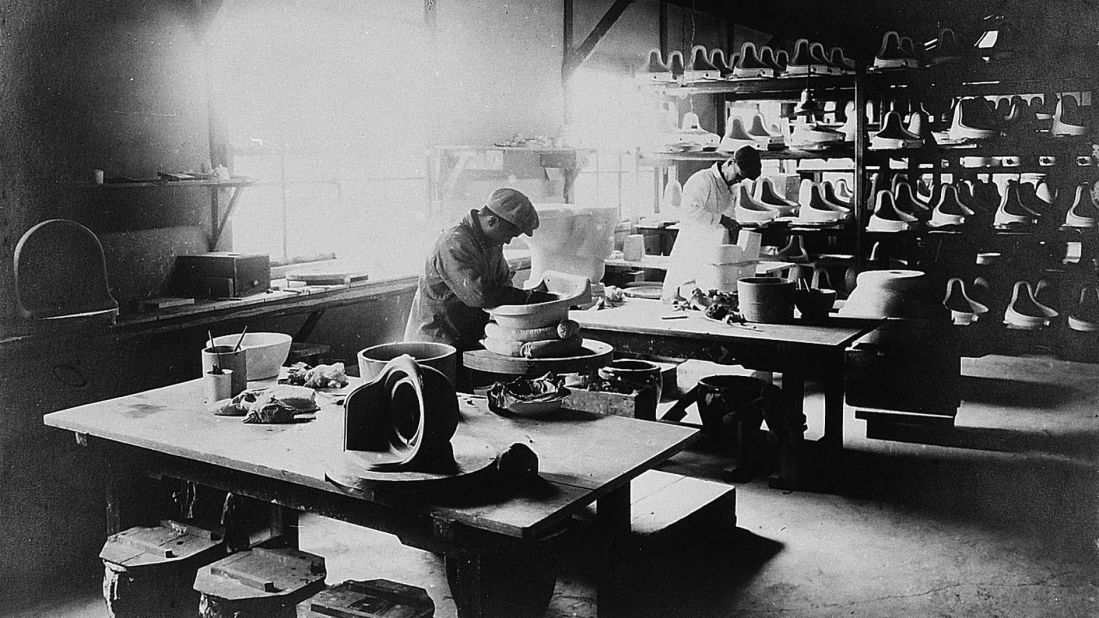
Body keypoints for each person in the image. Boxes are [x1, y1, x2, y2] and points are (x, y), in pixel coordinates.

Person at [404, 187, 540, 353]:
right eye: (510, 235)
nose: (509, 241)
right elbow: (479, 295)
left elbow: (504, 284)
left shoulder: (491, 241)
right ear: (492, 221)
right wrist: (533, 298)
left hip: (465, 341)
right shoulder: (454, 241)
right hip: (434, 345)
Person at [661, 146, 763, 300]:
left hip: (715, 249)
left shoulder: (732, 187)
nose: (739, 181)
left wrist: (734, 229)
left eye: (742, 179)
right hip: (693, 247)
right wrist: (721, 219)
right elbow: (689, 213)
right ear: (730, 162)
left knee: (713, 299)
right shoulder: (702, 180)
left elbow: (730, 215)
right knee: (683, 296)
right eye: (738, 176)